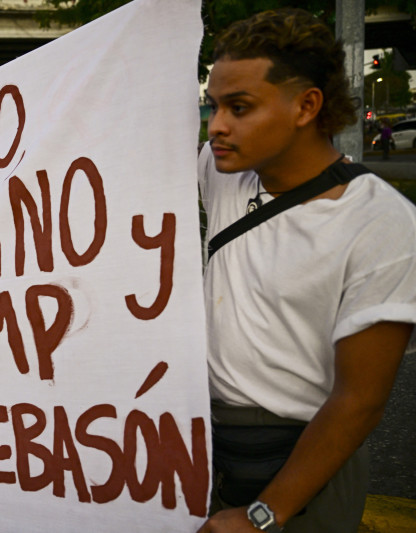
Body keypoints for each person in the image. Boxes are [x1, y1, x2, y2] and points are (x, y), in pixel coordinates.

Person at [197, 9, 416, 533]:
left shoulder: (381, 225)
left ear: (307, 105)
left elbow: (358, 403)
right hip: (204, 449)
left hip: (301, 469)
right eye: (213, 105)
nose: (217, 125)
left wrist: (263, 515)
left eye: (239, 107)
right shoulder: (223, 169)